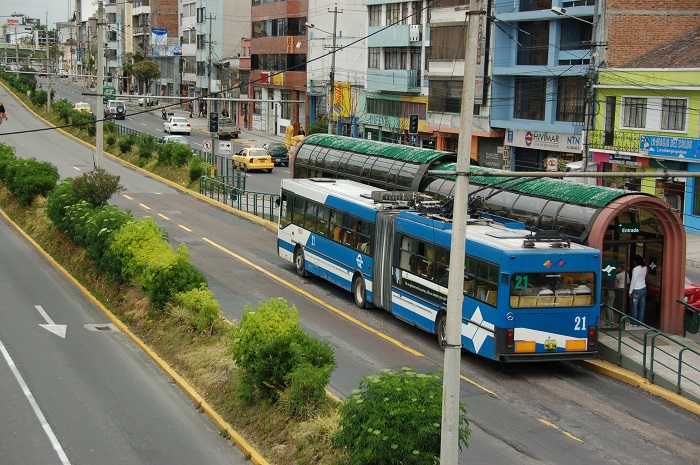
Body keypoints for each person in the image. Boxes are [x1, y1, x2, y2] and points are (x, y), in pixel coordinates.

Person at [628, 255, 647, 327]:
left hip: (636, 289)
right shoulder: (645, 268)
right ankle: (641, 322)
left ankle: (634, 322)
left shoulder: (635, 269)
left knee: (634, 307)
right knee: (642, 307)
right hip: (643, 288)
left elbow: (633, 281)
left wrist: (630, 292)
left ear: (635, 261)